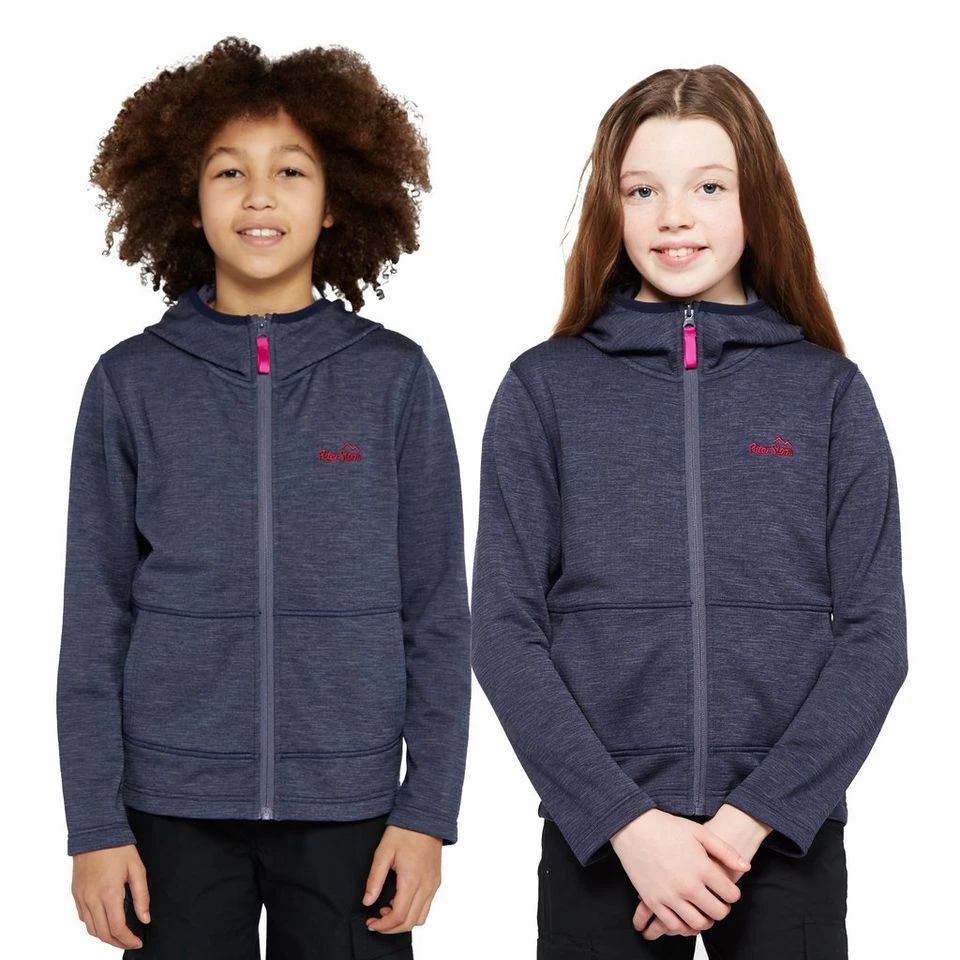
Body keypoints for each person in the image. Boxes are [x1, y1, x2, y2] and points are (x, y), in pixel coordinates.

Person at [470, 64, 907, 959]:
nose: (674, 215)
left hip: (783, 841)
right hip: (604, 841)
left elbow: (876, 638)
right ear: (613, 206)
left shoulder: (828, 395)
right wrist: (629, 824)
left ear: (757, 198)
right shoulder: (543, 392)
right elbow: (503, 632)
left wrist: (747, 825)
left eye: (709, 186)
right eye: (643, 190)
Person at [56, 36, 471, 960]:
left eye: (290, 170)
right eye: (228, 172)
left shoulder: (394, 380)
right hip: (169, 811)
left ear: (336, 201)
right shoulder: (130, 384)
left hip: (353, 810)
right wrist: (94, 825)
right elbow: (95, 620)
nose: (258, 196)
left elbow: (439, 613)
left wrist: (428, 812)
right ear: (188, 199)